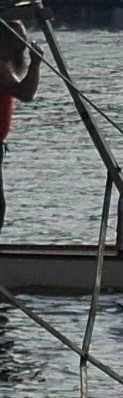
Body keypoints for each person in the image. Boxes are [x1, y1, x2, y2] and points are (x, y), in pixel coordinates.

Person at [0, 18, 41, 235]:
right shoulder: (1, 67)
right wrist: (35, 63)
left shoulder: (9, 64)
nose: (23, 43)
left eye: (23, 37)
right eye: (18, 38)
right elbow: (25, 93)